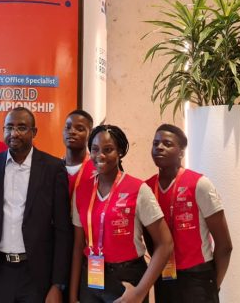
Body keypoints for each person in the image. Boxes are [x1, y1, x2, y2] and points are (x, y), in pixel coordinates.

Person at [0, 107, 72, 303]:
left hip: (37, 275)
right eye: (9, 127)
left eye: (22, 127)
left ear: (34, 132)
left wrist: (57, 285)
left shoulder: (53, 169)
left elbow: (62, 231)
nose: (14, 133)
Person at [70, 125, 173, 303]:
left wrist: (140, 292)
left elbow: (165, 244)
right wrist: (73, 295)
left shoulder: (138, 189)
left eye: (108, 150)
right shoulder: (81, 190)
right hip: (91, 278)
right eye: (95, 149)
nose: (100, 155)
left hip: (127, 278)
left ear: (120, 152)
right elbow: (78, 245)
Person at [145, 124, 232, 303]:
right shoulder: (146, 188)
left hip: (198, 277)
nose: (159, 147)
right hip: (164, 276)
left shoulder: (199, 184)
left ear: (181, 153)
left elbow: (225, 245)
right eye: (155, 143)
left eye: (167, 144)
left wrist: (212, 286)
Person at [63, 109, 96, 197]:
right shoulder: (54, 168)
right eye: (68, 127)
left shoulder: (98, 169)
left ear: (90, 133)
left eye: (80, 129)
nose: (72, 132)